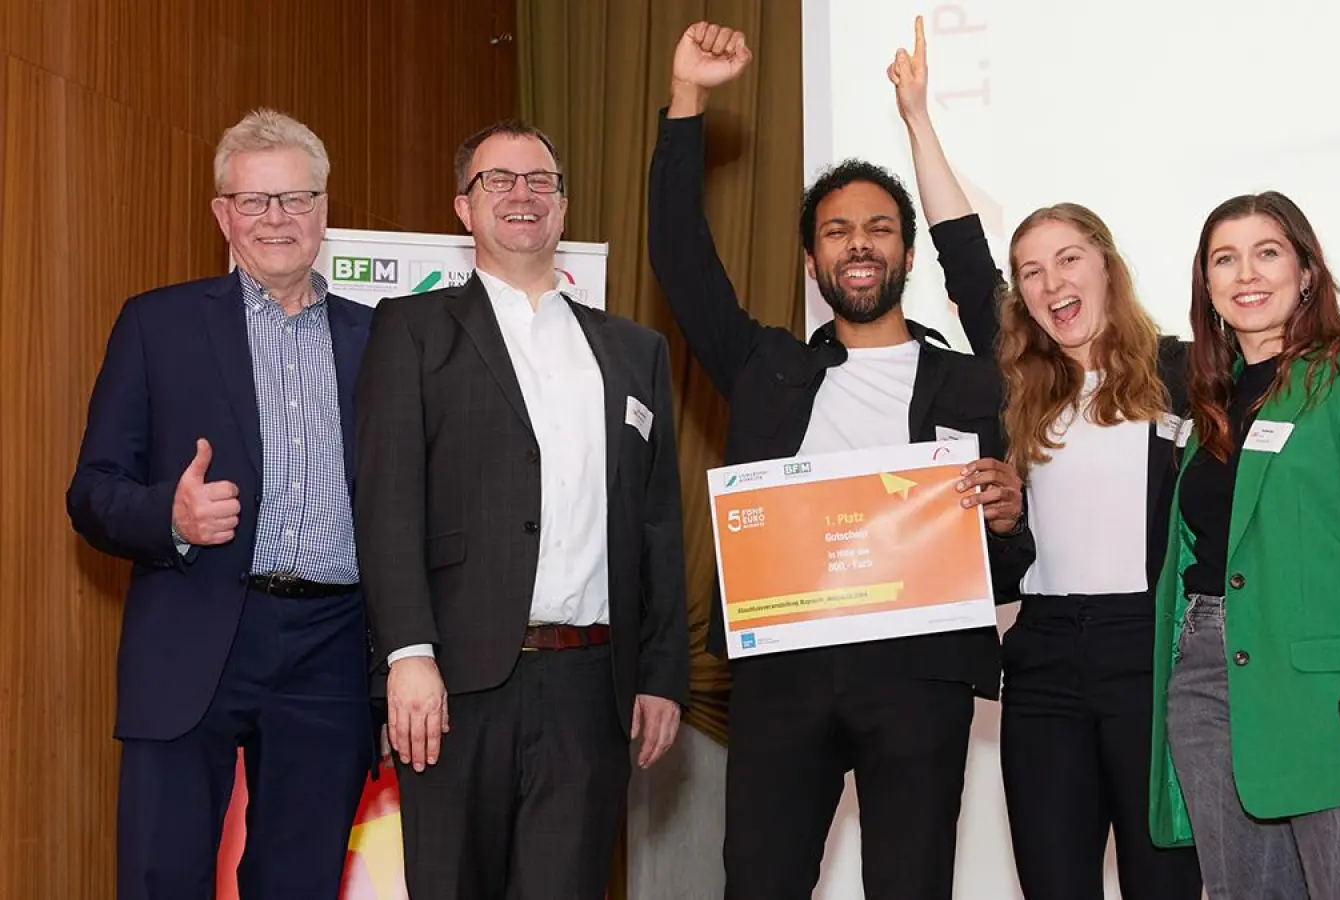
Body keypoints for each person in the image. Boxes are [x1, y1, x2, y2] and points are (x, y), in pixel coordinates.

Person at [886, 18, 1340, 899]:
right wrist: (917, 119)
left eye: (1069, 258)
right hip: (1045, 660)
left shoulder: (1186, 373)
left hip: (1153, 651)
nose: (1051, 281)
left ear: (1107, 266)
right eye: (1031, 271)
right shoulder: (1015, 382)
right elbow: (960, 255)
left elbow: (1285, 367)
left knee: (1169, 880)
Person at [650, 21, 1036, 900]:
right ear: (813, 257)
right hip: (783, 674)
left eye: (879, 228)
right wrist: (687, 100)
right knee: (759, 881)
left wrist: (1009, 518)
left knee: (912, 884)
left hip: (919, 676)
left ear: (907, 249)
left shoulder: (977, 383)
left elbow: (1011, 555)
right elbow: (679, 258)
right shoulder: (766, 368)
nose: (858, 243)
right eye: (836, 231)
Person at [353, 120, 690, 900]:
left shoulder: (634, 351)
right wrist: (408, 655)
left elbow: (656, 522)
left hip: (590, 686)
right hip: (454, 686)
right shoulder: (411, 330)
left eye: (540, 180)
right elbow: (386, 503)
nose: (522, 195)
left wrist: (662, 674)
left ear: (564, 209)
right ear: (463, 210)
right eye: (497, 180)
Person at [66, 109, 376, 899]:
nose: (277, 219)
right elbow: (93, 492)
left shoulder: (380, 340)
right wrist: (169, 519)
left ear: (325, 208)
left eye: (296, 199)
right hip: (192, 633)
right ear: (222, 216)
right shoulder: (156, 325)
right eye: (255, 201)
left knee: (300, 881)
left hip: (333, 651)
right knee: (161, 877)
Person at [1148, 191, 1340, 899]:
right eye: (1224, 258)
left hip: (1333, 696)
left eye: (1267, 252)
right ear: (1207, 284)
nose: (1246, 274)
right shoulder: (1206, 400)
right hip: (1203, 682)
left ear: (1306, 271)